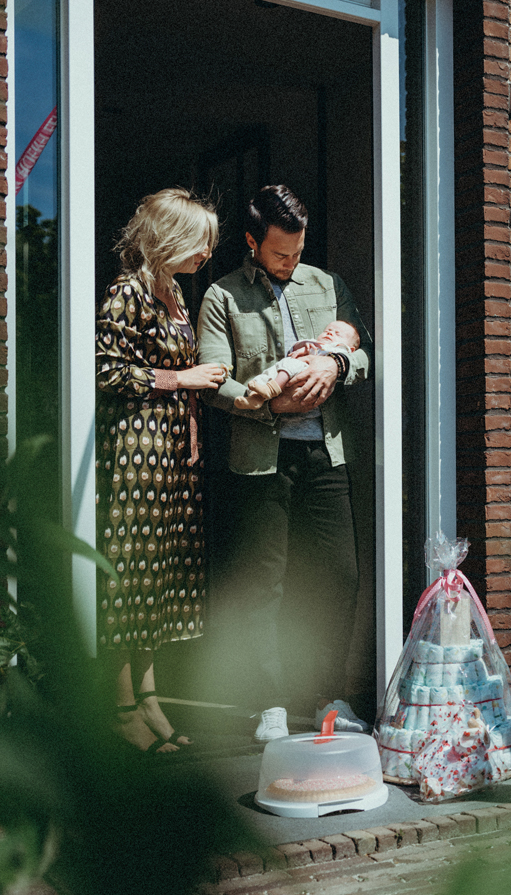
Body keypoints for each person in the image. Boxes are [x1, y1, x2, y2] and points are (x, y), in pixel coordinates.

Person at [197, 185, 372, 741]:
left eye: (298, 252)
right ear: (252, 242)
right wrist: (263, 399)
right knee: (264, 584)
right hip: (259, 460)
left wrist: (337, 367)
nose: (292, 263)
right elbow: (212, 380)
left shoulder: (328, 285)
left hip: (327, 453)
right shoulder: (221, 297)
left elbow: (365, 351)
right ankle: (269, 702)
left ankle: (325, 697)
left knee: (338, 576)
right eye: (280, 254)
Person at [96, 188, 227, 753]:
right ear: (170, 236)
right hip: (136, 448)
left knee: (154, 580)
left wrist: (197, 406)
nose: (206, 254)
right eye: (200, 241)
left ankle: (148, 701)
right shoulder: (128, 290)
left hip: (170, 449)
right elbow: (104, 369)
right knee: (130, 577)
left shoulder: (171, 291)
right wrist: (184, 380)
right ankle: (121, 708)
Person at [235, 320, 360, 410]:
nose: (330, 334)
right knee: (269, 373)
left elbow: (336, 364)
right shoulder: (315, 344)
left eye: (338, 334)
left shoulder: (341, 351)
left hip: (308, 376)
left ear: (351, 348)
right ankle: (255, 398)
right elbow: (294, 348)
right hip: (286, 372)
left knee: (291, 364)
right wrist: (304, 345)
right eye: (327, 330)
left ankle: (272, 389)